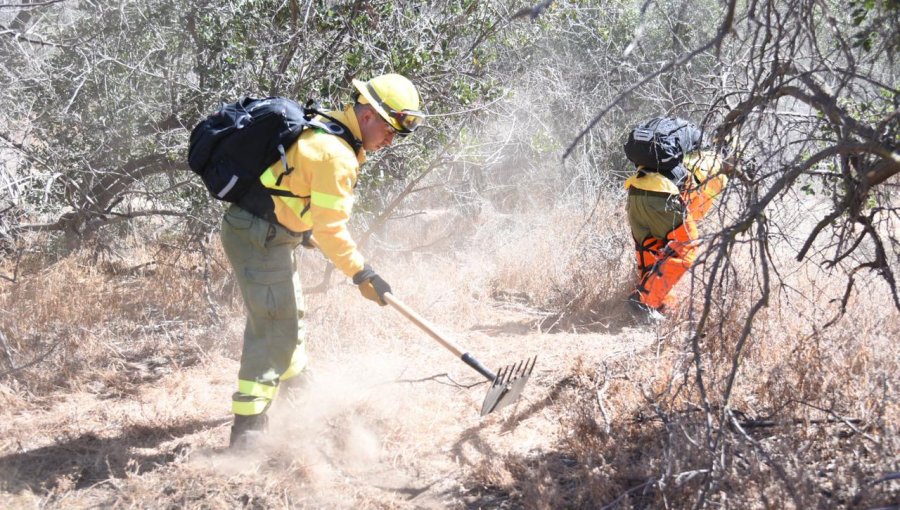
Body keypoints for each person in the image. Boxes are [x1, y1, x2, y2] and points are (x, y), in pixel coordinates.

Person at [220, 73, 424, 447]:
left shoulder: (330, 128)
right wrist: (363, 274)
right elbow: (332, 229)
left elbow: (293, 188)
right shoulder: (337, 155)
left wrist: (305, 229)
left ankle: (297, 388)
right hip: (260, 237)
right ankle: (247, 433)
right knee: (272, 329)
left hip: (269, 233)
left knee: (289, 313)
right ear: (368, 116)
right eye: (390, 129)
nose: (391, 140)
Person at [624, 119, 730, 320]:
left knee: (651, 257)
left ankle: (653, 306)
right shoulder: (715, 168)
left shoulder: (676, 155)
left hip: (635, 197)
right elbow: (698, 208)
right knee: (687, 247)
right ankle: (644, 304)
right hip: (663, 199)